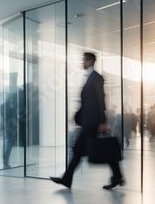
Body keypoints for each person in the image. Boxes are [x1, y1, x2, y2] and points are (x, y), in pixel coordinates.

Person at [50, 52, 124, 189]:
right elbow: (87, 102)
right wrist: (77, 115)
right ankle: (117, 175)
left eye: (83, 60)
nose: (82, 63)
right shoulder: (90, 78)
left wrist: (103, 121)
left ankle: (67, 179)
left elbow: (101, 100)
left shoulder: (96, 78)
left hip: (93, 123)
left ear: (90, 61)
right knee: (90, 151)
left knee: (79, 149)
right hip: (89, 121)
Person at [1, 92, 18, 169]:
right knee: (9, 144)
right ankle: (6, 162)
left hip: (5, 126)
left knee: (7, 143)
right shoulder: (11, 106)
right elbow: (13, 117)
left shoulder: (3, 105)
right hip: (10, 127)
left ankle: (5, 161)